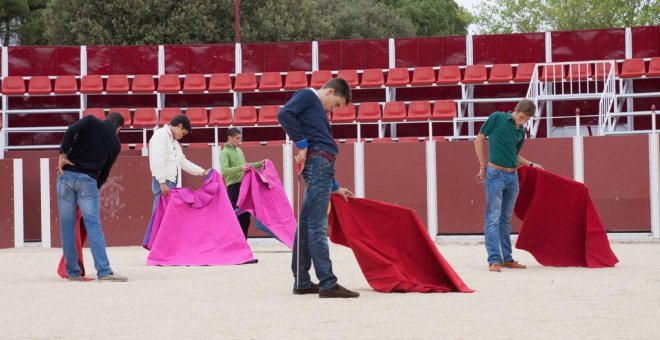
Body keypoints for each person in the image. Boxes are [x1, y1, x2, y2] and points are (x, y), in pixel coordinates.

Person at [277, 78, 359, 298]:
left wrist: (334, 186)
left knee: (306, 224)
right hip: (319, 162)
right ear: (330, 90)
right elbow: (284, 114)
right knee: (316, 225)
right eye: (336, 104)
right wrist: (302, 144)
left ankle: (302, 281)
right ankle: (328, 283)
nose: (333, 110)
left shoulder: (312, 104)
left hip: (319, 165)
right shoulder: (307, 95)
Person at [474, 99, 544, 272]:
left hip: (512, 177)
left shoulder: (521, 132)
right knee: (493, 218)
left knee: (505, 219)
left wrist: (532, 164)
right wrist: (483, 166)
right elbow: (479, 139)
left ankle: (507, 258)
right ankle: (494, 260)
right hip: (495, 174)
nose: (522, 122)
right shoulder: (497, 118)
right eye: (521, 117)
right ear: (515, 110)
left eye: (526, 120)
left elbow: (515, 155)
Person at [57, 111, 128, 282]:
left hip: (65, 176)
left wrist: (63, 154)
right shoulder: (115, 144)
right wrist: (93, 189)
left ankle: (73, 272)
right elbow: (104, 172)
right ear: (118, 128)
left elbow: (70, 130)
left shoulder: (90, 121)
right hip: (88, 180)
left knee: (67, 226)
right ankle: (103, 270)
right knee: (94, 226)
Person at [146, 114, 210, 242]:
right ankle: (155, 244)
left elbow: (183, 162)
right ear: (180, 126)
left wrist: (202, 172)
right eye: (183, 133)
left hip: (169, 182)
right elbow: (156, 160)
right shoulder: (161, 136)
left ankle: (159, 245)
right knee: (160, 215)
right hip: (164, 182)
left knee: (165, 216)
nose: (183, 136)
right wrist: (162, 182)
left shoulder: (173, 142)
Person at [220, 127, 263, 238]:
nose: (239, 141)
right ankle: (237, 248)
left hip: (244, 186)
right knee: (236, 218)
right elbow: (224, 171)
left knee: (245, 217)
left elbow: (246, 166)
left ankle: (244, 248)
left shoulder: (239, 150)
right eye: (237, 138)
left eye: (240, 138)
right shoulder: (224, 153)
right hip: (233, 187)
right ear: (230, 138)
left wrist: (260, 163)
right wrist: (241, 168)